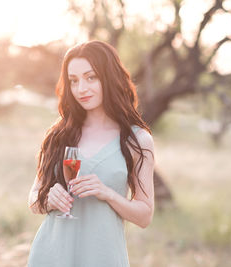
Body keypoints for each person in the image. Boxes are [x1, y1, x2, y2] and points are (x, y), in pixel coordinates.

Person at [27, 40, 155, 267]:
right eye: (73, 81)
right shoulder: (59, 135)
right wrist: (49, 199)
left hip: (103, 257)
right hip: (51, 257)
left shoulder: (138, 140)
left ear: (109, 77)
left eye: (91, 78)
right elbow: (34, 201)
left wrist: (108, 194)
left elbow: (145, 216)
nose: (81, 89)